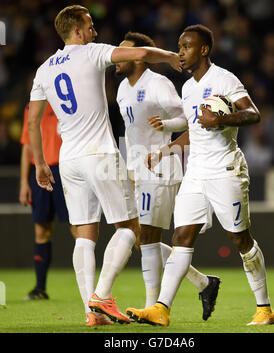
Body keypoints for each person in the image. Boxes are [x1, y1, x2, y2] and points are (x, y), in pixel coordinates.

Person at [27, 5, 182, 327]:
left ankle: (91, 312)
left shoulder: (44, 69)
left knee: (84, 234)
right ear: (78, 31)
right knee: (129, 227)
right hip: (99, 154)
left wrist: (40, 163)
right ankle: (101, 296)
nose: (95, 31)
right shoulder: (92, 52)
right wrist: (169, 56)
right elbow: (141, 52)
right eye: (91, 25)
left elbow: (33, 121)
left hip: (68, 159)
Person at [126, 24, 274, 327]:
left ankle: (264, 308)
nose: (180, 52)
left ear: (203, 50)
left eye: (187, 46)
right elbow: (195, 132)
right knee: (181, 236)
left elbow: (253, 113)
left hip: (225, 170)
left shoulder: (224, 79)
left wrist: (221, 117)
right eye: (180, 46)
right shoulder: (188, 87)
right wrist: (165, 150)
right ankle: (161, 308)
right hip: (196, 171)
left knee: (240, 239)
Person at [115, 31, 220, 320]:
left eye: (125, 52)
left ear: (140, 57)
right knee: (139, 236)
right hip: (138, 164)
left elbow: (188, 118)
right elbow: (131, 130)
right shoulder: (122, 88)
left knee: (147, 235)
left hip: (162, 164)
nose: (118, 57)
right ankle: (203, 282)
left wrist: (166, 123)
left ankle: (154, 306)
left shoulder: (158, 83)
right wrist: (129, 166)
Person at [20, 103, 75, 301]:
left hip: (65, 170)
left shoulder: (65, 101)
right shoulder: (31, 107)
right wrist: (24, 182)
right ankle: (40, 288)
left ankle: (91, 288)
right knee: (42, 231)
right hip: (39, 171)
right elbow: (27, 145)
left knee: (77, 227)